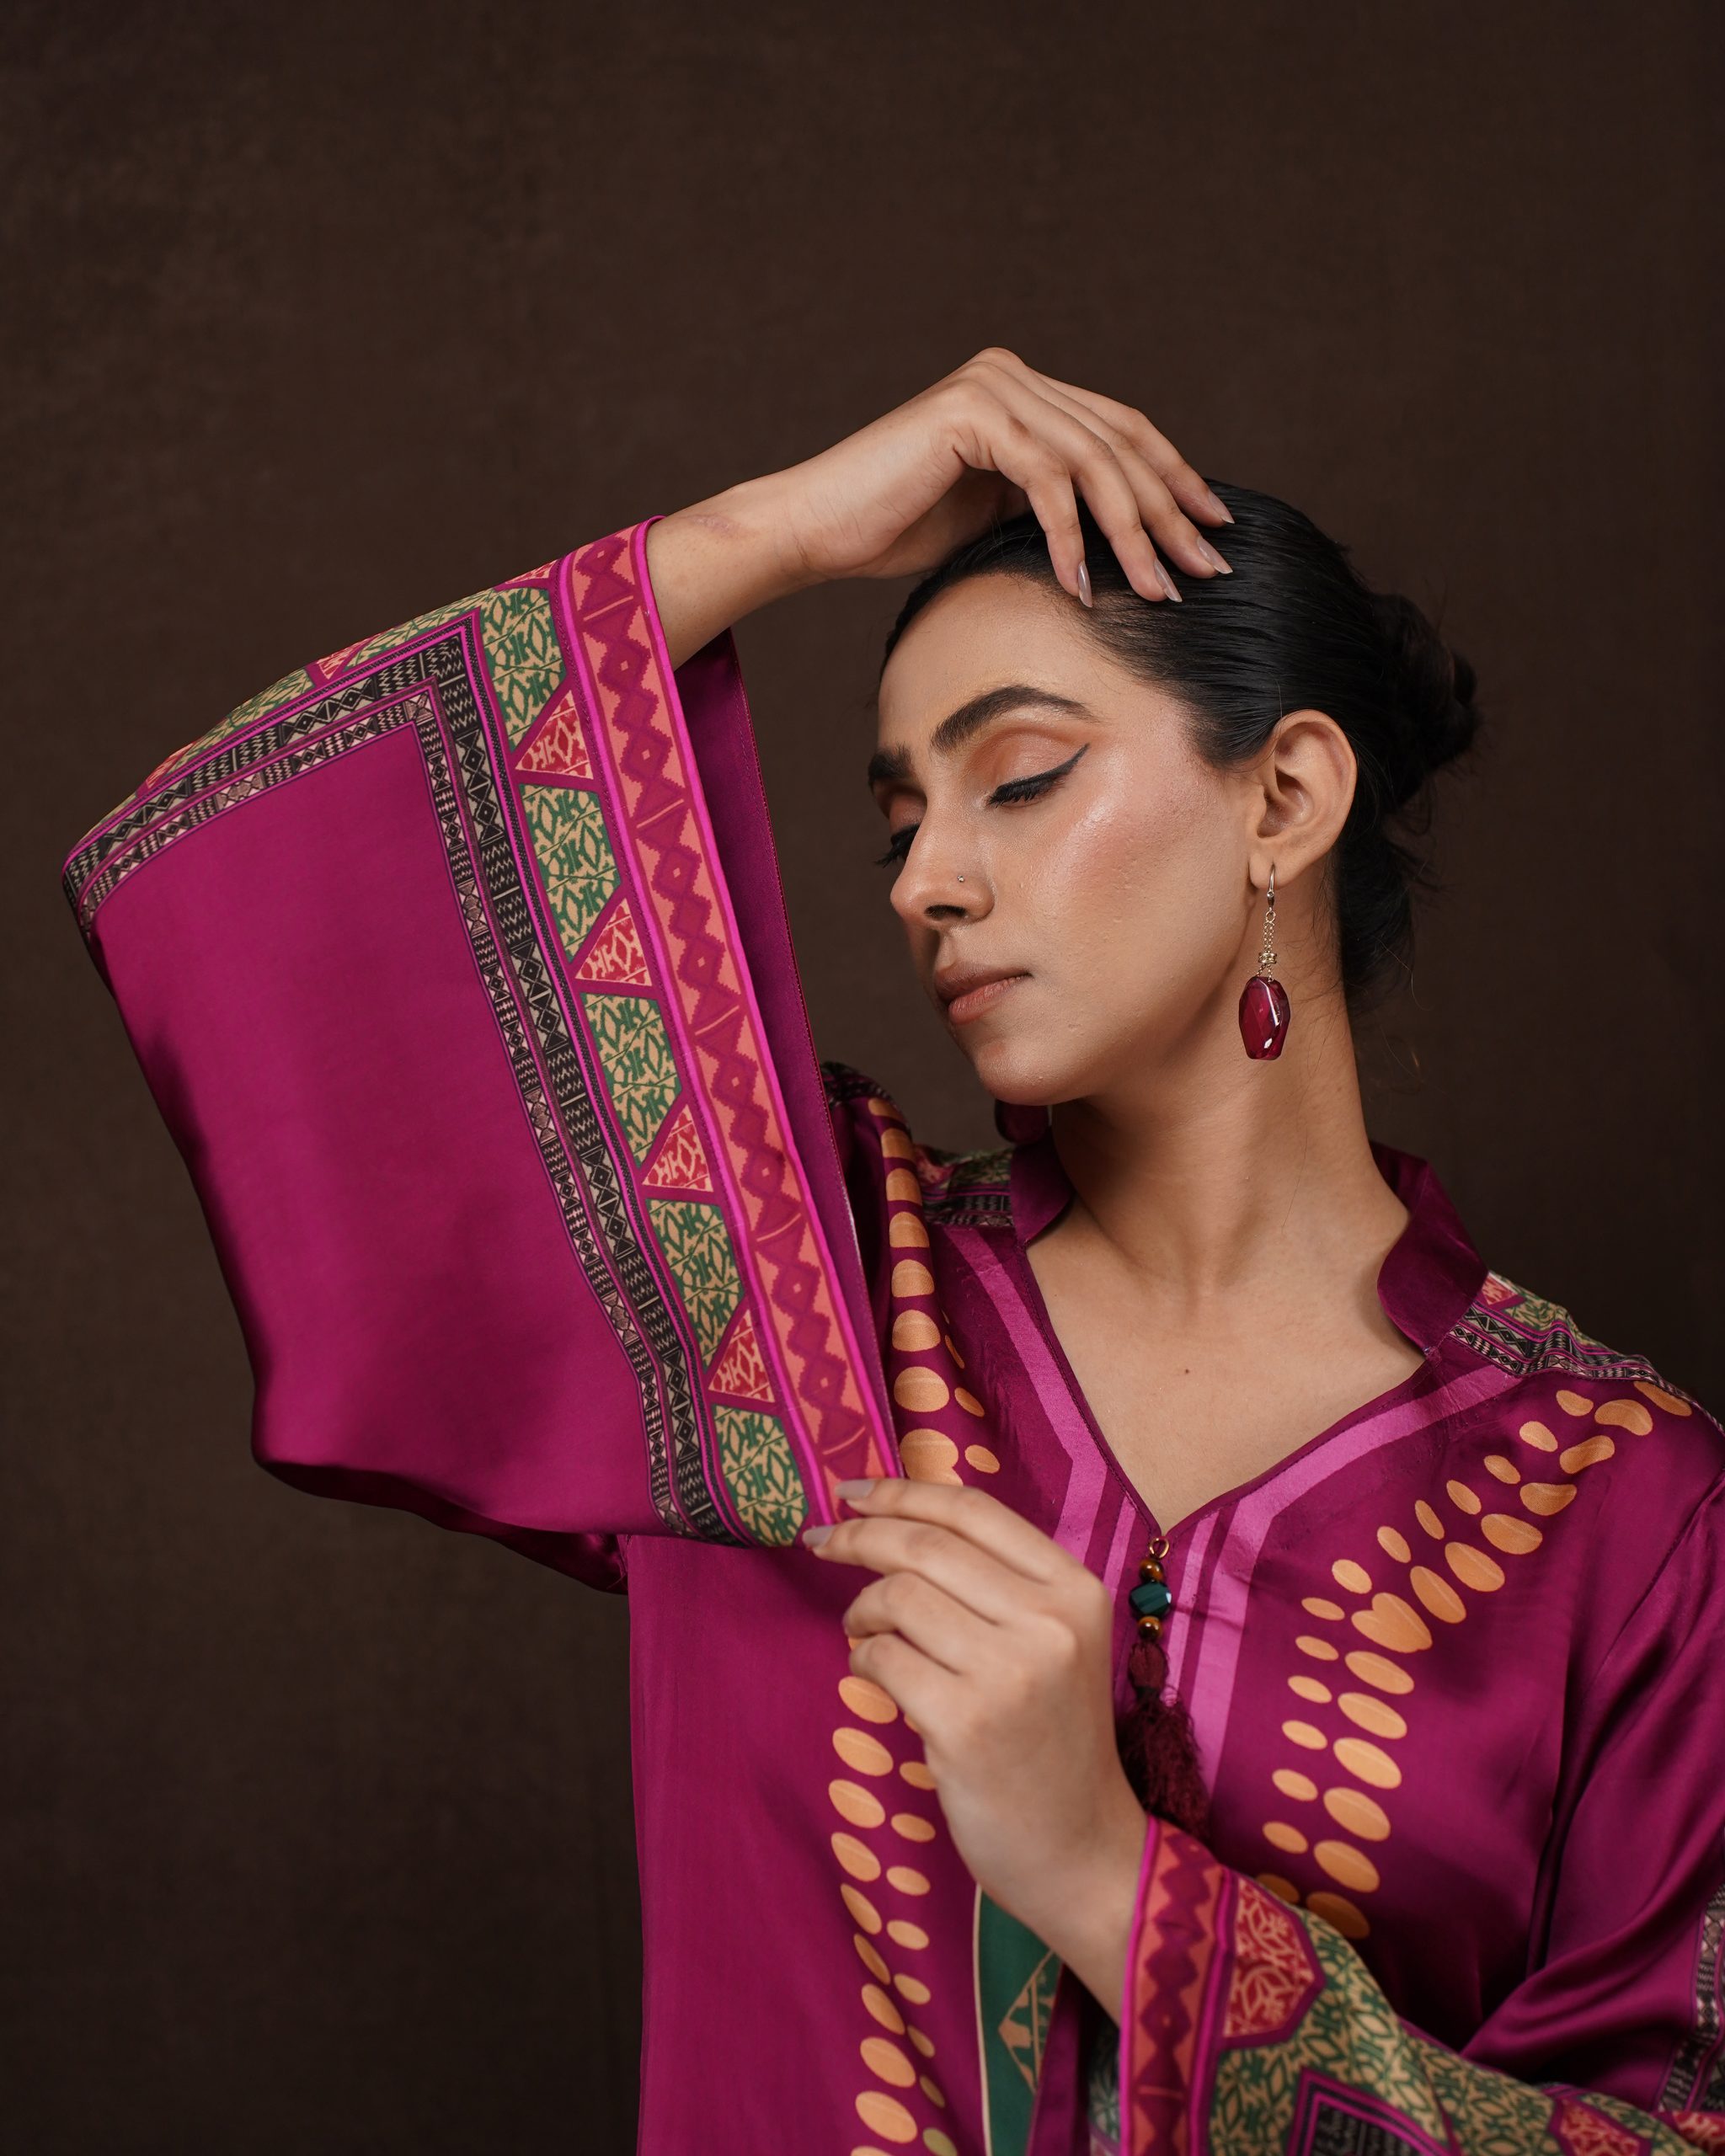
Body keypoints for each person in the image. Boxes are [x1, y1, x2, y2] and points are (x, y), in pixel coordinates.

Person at [61, 350, 1725, 2155]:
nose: (927, 878)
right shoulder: (800, 1281)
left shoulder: (1622, 1508)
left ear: (1283, 799)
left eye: (1019, 777)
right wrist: (779, 529)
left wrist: (1109, 1880)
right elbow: (240, 886)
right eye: (897, 820)